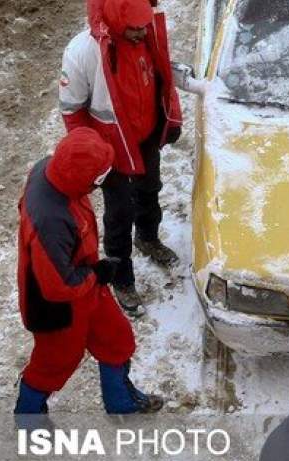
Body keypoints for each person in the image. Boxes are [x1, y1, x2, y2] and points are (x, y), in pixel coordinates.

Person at [15, 127, 164, 416]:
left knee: (116, 337)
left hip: (85, 286)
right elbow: (57, 286)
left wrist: (92, 274)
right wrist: (96, 274)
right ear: (83, 181)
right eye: (99, 179)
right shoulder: (51, 222)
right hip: (57, 308)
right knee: (54, 365)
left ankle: (120, 403)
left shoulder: (53, 169)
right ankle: (28, 421)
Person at [59, 0, 183, 314]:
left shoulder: (146, 34)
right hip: (110, 150)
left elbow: (163, 79)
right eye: (135, 28)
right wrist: (92, 156)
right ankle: (121, 276)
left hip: (145, 137)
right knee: (119, 214)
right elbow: (72, 113)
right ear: (115, 21)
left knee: (149, 189)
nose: (143, 32)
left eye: (144, 25)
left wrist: (172, 118)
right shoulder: (83, 52)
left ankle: (147, 237)